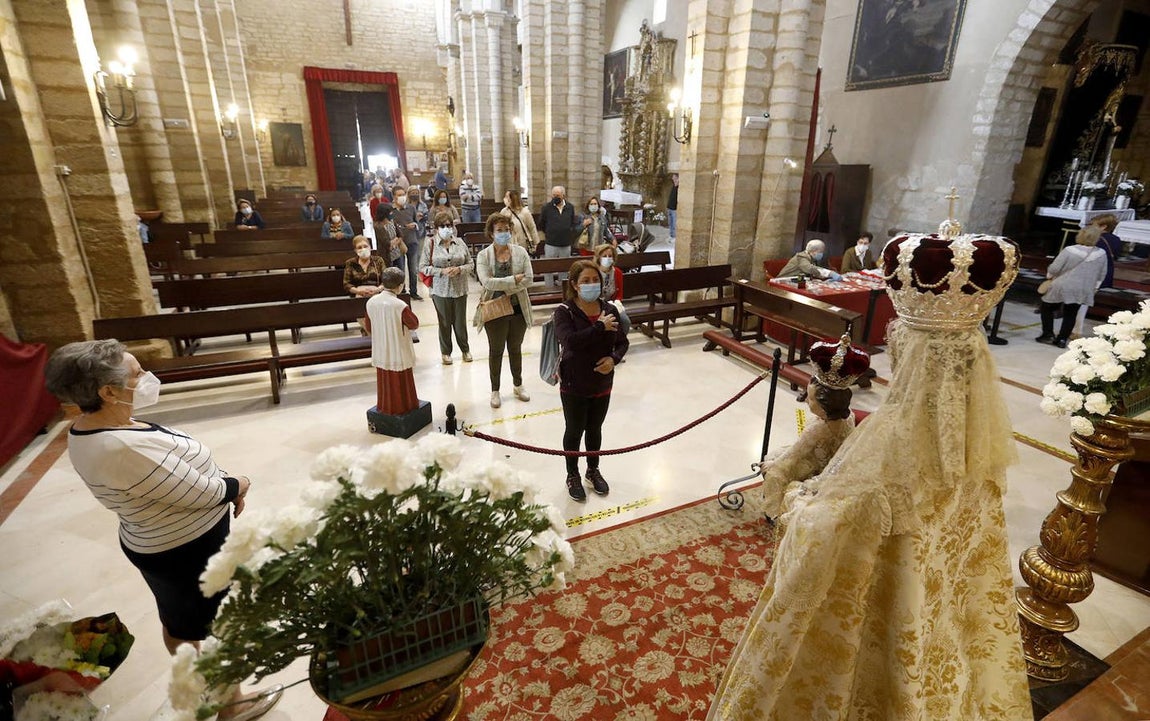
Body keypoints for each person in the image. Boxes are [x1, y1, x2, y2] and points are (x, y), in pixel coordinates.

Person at [708, 233, 1032, 720]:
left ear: (911, 354)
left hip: (876, 623)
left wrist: (797, 496)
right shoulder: (976, 444)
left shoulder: (893, 441)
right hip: (939, 616)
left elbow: (824, 534)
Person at [43, 340, 282, 721]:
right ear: (107, 391)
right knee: (213, 623)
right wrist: (240, 483)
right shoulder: (120, 447)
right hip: (185, 548)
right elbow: (202, 494)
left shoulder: (89, 428)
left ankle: (204, 687)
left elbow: (170, 481)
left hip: (155, 539)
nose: (146, 378)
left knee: (179, 618)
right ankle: (231, 704)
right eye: (136, 373)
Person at [759, 334, 868, 520]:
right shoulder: (846, 414)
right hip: (834, 460)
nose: (808, 403)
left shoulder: (818, 429)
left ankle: (776, 513)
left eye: (811, 399)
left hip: (819, 468)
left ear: (826, 405)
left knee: (775, 468)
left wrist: (771, 465)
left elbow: (794, 454)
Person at [552, 259, 630, 502]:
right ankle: (572, 474)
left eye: (595, 280)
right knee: (574, 430)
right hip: (574, 382)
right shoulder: (564, 312)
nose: (591, 284)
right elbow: (570, 342)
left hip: (601, 382)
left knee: (595, 428)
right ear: (574, 285)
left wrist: (613, 359)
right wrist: (598, 327)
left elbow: (622, 342)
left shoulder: (610, 310)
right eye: (585, 281)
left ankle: (592, 470)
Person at [475, 213, 534, 408]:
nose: (504, 233)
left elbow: (529, 279)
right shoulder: (484, 255)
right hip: (495, 310)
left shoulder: (521, 252)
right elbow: (487, 283)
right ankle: (495, 390)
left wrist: (506, 285)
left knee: (515, 349)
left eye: (507, 230)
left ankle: (518, 385)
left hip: (518, 309)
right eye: (499, 230)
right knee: (496, 351)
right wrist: (513, 280)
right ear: (491, 233)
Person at [1038, 225, 1107, 348]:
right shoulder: (1101, 254)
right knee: (1071, 313)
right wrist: (1095, 288)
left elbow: (1055, 268)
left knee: (1047, 307)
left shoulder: (1070, 250)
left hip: (1063, 285)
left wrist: (1049, 276)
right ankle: (1062, 339)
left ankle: (1047, 334)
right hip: (1084, 287)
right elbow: (1102, 273)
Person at [363, 267, 420, 415]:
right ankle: (405, 407)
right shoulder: (399, 305)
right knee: (401, 383)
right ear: (399, 286)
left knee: (384, 381)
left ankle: (385, 407)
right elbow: (414, 324)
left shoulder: (371, 302)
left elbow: (368, 326)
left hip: (381, 348)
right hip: (397, 348)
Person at [420, 211, 472, 365]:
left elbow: (470, 263)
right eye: (442, 226)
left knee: (460, 322)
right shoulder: (430, 244)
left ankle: (465, 349)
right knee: (444, 322)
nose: (446, 228)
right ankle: (446, 352)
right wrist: (440, 271)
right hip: (440, 290)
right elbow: (423, 267)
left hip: (460, 288)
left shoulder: (460, 243)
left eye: (449, 225)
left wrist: (460, 269)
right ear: (436, 228)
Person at [539, 185, 577, 287]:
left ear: (563, 195)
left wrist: (568, 232)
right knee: (549, 267)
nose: (555, 197)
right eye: (553, 195)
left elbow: (573, 222)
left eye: (557, 195)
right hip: (551, 243)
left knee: (564, 267)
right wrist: (549, 232)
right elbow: (541, 223)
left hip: (565, 243)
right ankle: (549, 287)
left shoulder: (570, 207)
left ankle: (562, 286)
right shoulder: (546, 207)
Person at [391, 187, 421, 286]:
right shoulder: (391, 211)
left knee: (413, 269)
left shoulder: (411, 208)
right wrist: (403, 227)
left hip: (412, 241)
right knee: (401, 269)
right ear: (394, 197)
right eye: (399, 195)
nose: (402, 197)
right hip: (399, 244)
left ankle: (414, 291)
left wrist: (414, 225)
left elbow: (417, 223)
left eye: (403, 194)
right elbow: (391, 227)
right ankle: (402, 290)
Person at [777, 239, 842, 280]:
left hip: (797, 281)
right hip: (784, 281)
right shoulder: (801, 257)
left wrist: (827, 277)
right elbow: (810, 269)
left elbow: (814, 272)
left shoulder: (811, 258)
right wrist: (830, 273)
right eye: (821, 252)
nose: (822, 254)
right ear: (814, 251)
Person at [500, 188, 540, 253]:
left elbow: (532, 227)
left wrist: (535, 243)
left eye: (507, 197)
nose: (505, 198)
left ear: (512, 199)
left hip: (522, 244)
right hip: (508, 243)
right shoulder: (504, 211)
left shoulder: (525, 212)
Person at [667, 173, 679, 241]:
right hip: (669, 207)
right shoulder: (673, 186)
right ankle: (671, 235)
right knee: (670, 223)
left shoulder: (679, 187)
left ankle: (674, 237)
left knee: (674, 224)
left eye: (674, 178)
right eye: (673, 178)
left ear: (678, 178)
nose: (673, 179)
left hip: (674, 208)